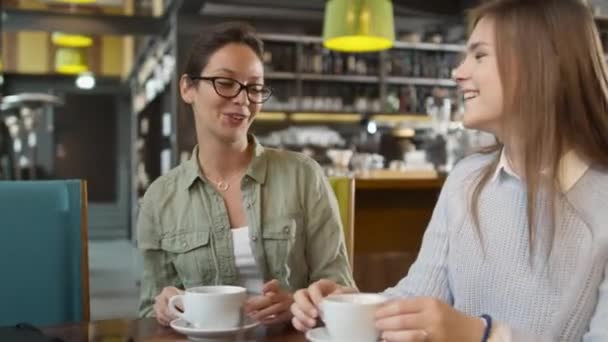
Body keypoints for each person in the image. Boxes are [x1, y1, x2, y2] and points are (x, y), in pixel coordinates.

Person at [291, 0, 608, 340]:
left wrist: (481, 336)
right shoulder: (466, 178)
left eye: (480, 55)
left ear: (542, 63)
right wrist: (349, 308)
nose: (458, 73)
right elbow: (419, 298)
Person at [136, 22, 355, 326]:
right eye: (225, 83)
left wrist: (297, 304)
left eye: (254, 87)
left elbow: (341, 288)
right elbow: (148, 310)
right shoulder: (159, 198)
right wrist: (162, 308)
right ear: (188, 88)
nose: (243, 99)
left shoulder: (303, 176)